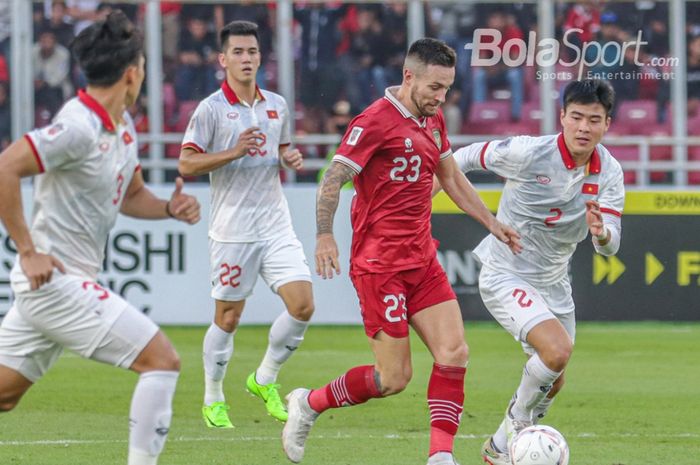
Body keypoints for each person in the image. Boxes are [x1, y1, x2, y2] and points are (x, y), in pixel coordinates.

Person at [281, 38, 521, 465]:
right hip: (379, 266)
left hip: (422, 260)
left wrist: (492, 221)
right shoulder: (373, 121)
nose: (441, 96)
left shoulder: (434, 118)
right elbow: (334, 177)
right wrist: (324, 235)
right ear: (408, 76)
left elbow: (450, 177)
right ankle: (310, 402)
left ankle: (440, 457)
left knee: (455, 352)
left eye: (447, 87)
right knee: (393, 378)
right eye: (434, 87)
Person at [0, 10, 201, 465]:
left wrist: (169, 208)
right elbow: (6, 167)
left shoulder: (123, 127)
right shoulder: (77, 128)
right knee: (162, 361)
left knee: (5, 396)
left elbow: (130, 196)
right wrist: (28, 251)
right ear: (132, 74)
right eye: (145, 67)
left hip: (59, 285)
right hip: (54, 282)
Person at [448, 79, 624, 465]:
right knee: (556, 350)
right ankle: (517, 424)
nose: (583, 127)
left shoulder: (609, 172)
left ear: (606, 124)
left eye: (593, 120)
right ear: (561, 117)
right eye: (576, 117)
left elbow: (611, 245)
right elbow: (461, 158)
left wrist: (602, 232)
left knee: (554, 377)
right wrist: (430, 189)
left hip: (555, 281)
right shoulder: (528, 152)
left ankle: (496, 449)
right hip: (506, 271)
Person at [178, 20, 314, 428]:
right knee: (228, 319)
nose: (246, 58)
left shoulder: (277, 104)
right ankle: (213, 396)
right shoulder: (210, 110)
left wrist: (289, 157)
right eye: (237, 52)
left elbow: (283, 146)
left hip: (276, 224)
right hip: (232, 230)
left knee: (303, 305)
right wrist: (233, 151)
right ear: (222, 60)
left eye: (252, 52)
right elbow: (187, 162)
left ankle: (264, 378)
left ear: (260, 57)